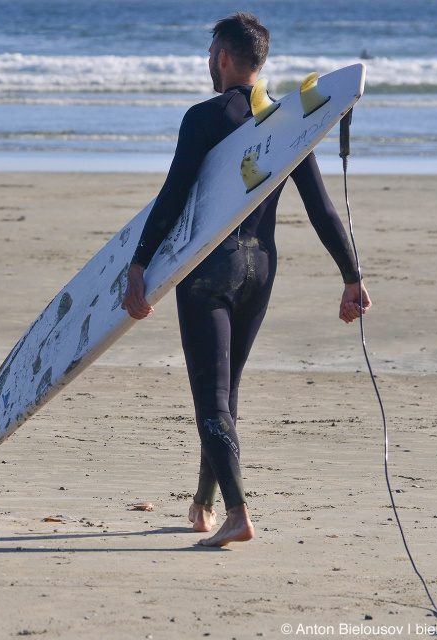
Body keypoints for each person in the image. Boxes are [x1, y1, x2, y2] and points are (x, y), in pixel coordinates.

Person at [121, 12, 371, 547]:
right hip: (261, 268)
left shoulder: (203, 118)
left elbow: (172, 199)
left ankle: (238, 514)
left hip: (210, 270)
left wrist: (138, 264)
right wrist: (352, 277)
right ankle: (204, 506)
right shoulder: (285, 122)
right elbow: (322, 208)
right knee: (225, 393)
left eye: (212, 52)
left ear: (223, 58)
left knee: (211, 397)